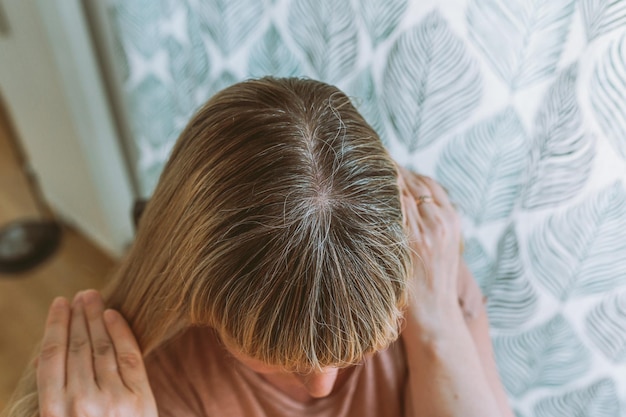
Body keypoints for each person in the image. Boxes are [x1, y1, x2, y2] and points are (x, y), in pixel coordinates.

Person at [3, 78, 514, 417]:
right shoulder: (143, 386)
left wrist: (440, 326)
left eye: (359, 350)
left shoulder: (423, 265)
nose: (322, 387)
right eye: (284, 359)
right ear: (199, 293)